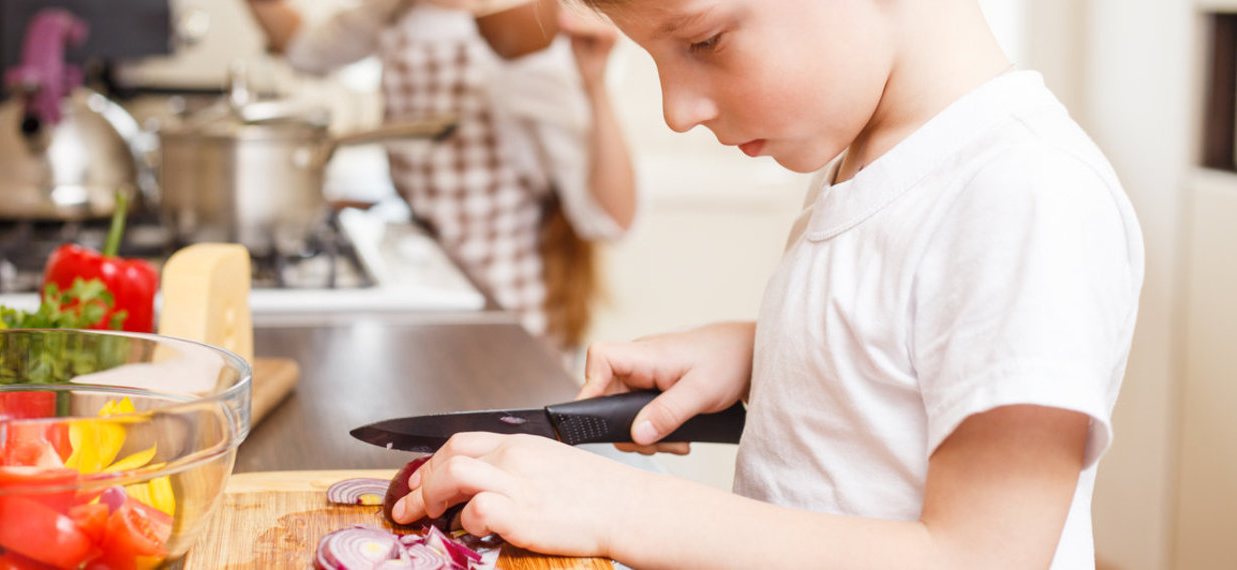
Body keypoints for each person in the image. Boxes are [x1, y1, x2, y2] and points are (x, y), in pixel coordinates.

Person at [389, 0, 1146, 568]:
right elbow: (915, 347)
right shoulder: (875, 163)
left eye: (703, 40)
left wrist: (619, 507)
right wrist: (767, 350)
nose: (676, 109)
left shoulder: (1024, 192)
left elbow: (978, 557)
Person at [244, 0, 638, 356]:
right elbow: (306, 50)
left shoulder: (522, 29)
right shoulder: (394, 12)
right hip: (423, 297)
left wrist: (593, 83)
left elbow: (609, 218)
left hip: (508, 316)